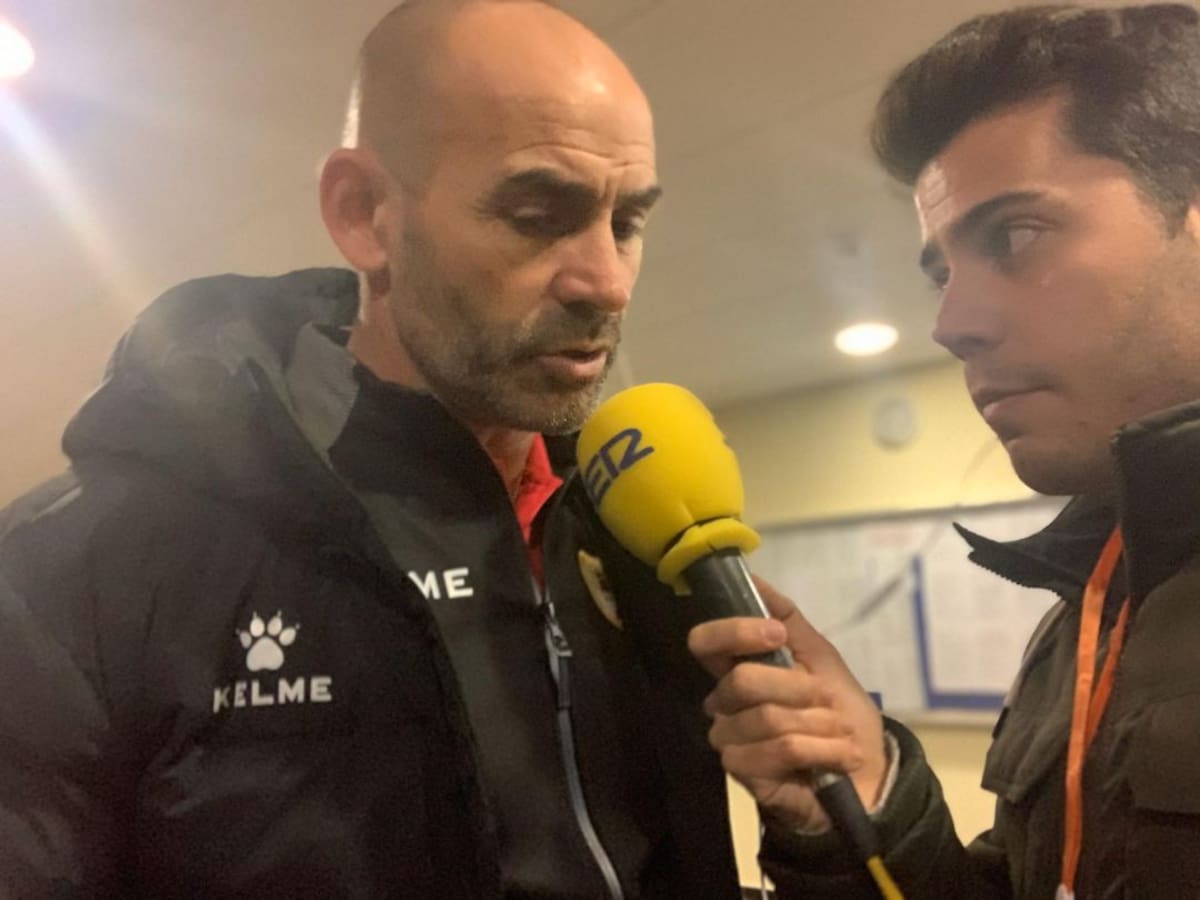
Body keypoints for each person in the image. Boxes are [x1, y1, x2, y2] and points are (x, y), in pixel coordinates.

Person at [0, 1, 805, 896]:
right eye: (538, 214)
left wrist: (846, 828)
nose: (607, 282)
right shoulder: (79, 569)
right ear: (364, 212)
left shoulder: (624, 520)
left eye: (626, 224)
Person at [690, 3, 1200, 898]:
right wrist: (867, 804)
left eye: (1016, 236)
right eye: (943, 274)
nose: (952, 322)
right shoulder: (1095, 604)